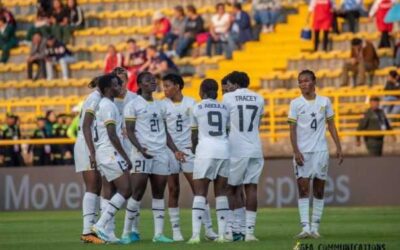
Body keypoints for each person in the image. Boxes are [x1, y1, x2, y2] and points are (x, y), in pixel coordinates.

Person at [121, 71, 183, 243]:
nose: (154, 83)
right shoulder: (133, 105)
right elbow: (130, 131)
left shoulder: (160, 105)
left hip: (161, 153)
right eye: (148, 81)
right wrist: (140, 149)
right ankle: (126, 233)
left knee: (158, 194)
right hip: (142, 154)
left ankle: (158, 234)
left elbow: (165, 131)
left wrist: (175, 149)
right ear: (140, 84)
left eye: (154, 80)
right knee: (137, 193)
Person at [161, 73, 218, 241]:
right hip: (169, 151)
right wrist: (173, 150)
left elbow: (198, 128)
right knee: (173, 190)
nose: (164, 89)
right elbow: (162, 131)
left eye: (167, 86)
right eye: (163, 86)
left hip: (188, 151)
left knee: (198, 190)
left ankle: (208, 230)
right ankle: (176, 232)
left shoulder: (192, 103)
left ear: (178, 86)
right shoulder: (161, 105)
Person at [288, 70, 343, 239]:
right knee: (303, 189)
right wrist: (296, 150)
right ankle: (305, 227)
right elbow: (292, 129)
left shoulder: (325, 102)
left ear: (314, 82)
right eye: (300, 81)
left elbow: (331, 125)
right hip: (303, 152)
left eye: (306, 80)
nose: (303, 84)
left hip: (320, 151)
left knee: (319, 190)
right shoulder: (295, 103)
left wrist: (338, 147)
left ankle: (315, 228)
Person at [222, 71, 265, 242]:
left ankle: (234, 229)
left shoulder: (228, 98)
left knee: (231, 188)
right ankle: (249, 233)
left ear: (235, 84)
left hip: (236, 148)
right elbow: (258, 124)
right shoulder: (259, 98)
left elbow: (224, 124)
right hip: (255, 147)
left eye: (229, 84)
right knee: (252, 188)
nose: (228, 87)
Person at [91, 74, 133, 243]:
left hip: (104, 152)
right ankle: (100, 225)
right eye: (116, 84)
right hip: (110, 152)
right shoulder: (108, 106)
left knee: (110, 191)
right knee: (126, 189)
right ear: (108, 88)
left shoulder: (104, 104)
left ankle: (108, 233)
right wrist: (125, 156)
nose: (120, 87)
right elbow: (111, 134)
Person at [187, 79, 230, 244]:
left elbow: (194, 135)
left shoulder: (196, 107)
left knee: (200, 193)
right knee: (221, 194)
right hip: (224, 150)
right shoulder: (225, 107)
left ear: (202, 91)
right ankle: (221, 235)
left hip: (205, 151)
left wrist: (193, 148)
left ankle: (196, 235)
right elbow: (227, 130)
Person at [74, 76, 104, 244]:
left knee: (97, 186)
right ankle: (87, 231)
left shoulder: (98, 98)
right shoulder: (94, 98)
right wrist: (92, 151)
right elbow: (86, 125)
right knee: (92, 185)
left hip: (91, 144)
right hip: (87, 144)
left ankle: (92, 229)